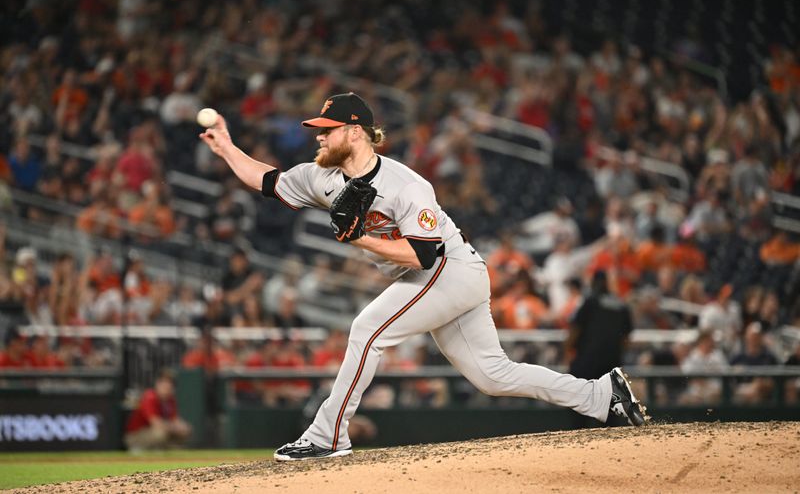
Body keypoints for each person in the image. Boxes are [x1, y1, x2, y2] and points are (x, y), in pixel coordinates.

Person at [198, 92, 648, 462]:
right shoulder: (322, 177)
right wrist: (227, 148)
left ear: (354, 132)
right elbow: (269, 181)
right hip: (440, 278)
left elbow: (423, 255)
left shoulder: (406, 185)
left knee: (367, 330)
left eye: (326, 130)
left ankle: (328, 434)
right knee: (493, 375)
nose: (317, 137)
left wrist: (359, 239)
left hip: (449, 269)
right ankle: (601, 394)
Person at [564, 271, 633, 428]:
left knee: (579, 407)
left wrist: (567, 351)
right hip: (611, 365)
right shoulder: (621, 305)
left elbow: (575, 330)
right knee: (609, 410)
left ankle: (579, 440)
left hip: (586, 362)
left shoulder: (589, 301)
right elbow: (626, 339)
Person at [124, 369, 192, 451]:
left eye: (170, 384)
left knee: (185, 430)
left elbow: (175, 420)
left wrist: (183, 427)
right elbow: (156, 423)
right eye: (164, 383)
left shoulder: (170, 400)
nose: (167, 386)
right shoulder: (150, 397)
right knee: (160, 433)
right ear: (158, 384)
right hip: (135, 436)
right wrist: (174, 427)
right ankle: (139, 448)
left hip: (157, 431)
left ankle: (166, 449)